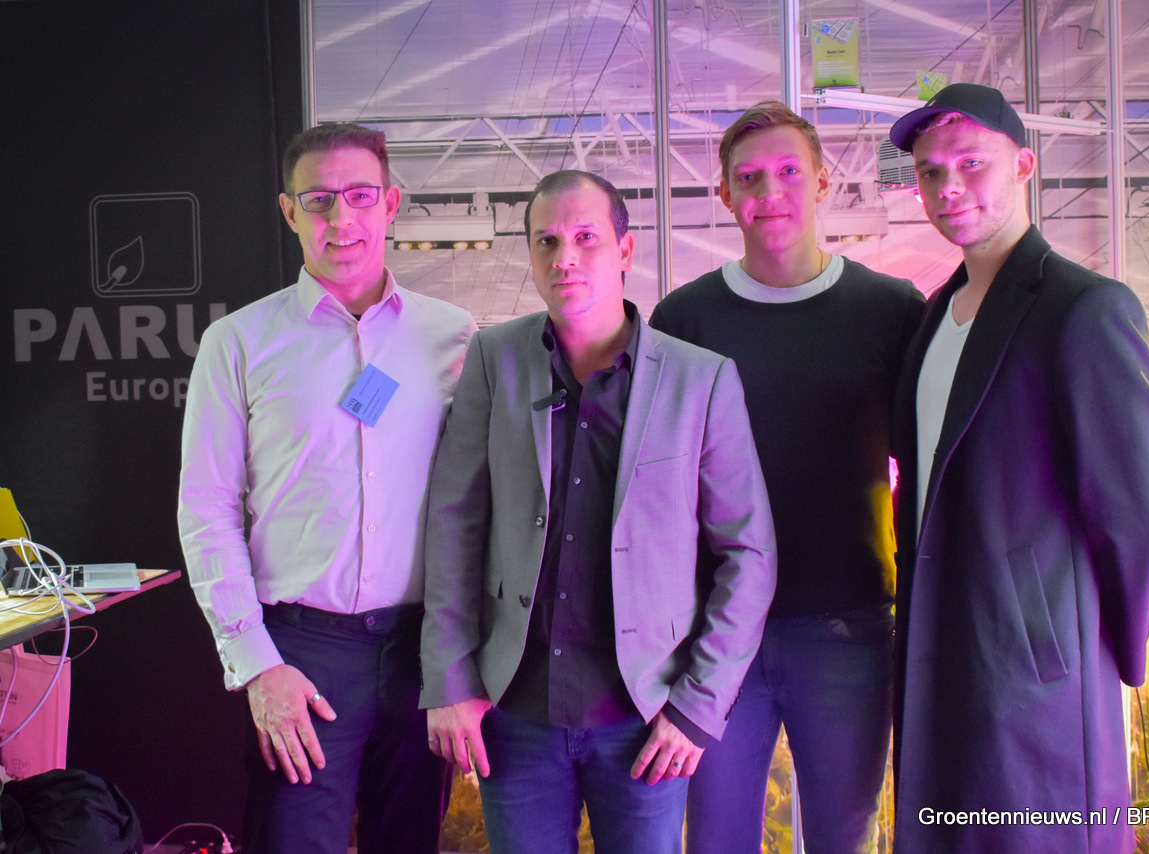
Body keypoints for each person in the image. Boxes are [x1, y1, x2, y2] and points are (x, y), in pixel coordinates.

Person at [419, 169, 777, 854]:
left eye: (586, 238)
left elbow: (749, 553)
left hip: (645, 717)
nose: (564, 258)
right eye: (546, 241)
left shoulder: (701, 378)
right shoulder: (494, 359)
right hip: (514, 711)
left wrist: (698, 706)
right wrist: (450, 676)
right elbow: (455, 523)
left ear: (625, 251)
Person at [887, 83, 1149, 853]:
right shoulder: (935, 316)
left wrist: (1094, 642)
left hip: (1032, 668)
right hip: (940, 645)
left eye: (970, 164)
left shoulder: (1082, 307)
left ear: (1024, 165)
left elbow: (1144, 510)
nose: (948, 187)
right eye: (929, 172)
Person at [177, 122, 475, 854]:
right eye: (318, 200)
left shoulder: (454, 336)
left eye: (360, 195)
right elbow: (207, 508)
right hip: (301, 652)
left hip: (420, 652)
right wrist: (257, 665)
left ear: (391, 204)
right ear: (289, 211)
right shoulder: (238, 342)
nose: (341, 218)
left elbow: (481, 504)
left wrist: (464, 659)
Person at [648, 100, 924, 854]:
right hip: (715, 638)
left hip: (847, 625)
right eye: (749, 178)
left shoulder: (890, 311)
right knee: (715, 839)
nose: (769, 193)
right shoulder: (685, 321)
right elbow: (654, 490)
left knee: (845, 836)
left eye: (788, 172)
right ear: (724, 195)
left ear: (824, 183)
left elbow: (929, 466)